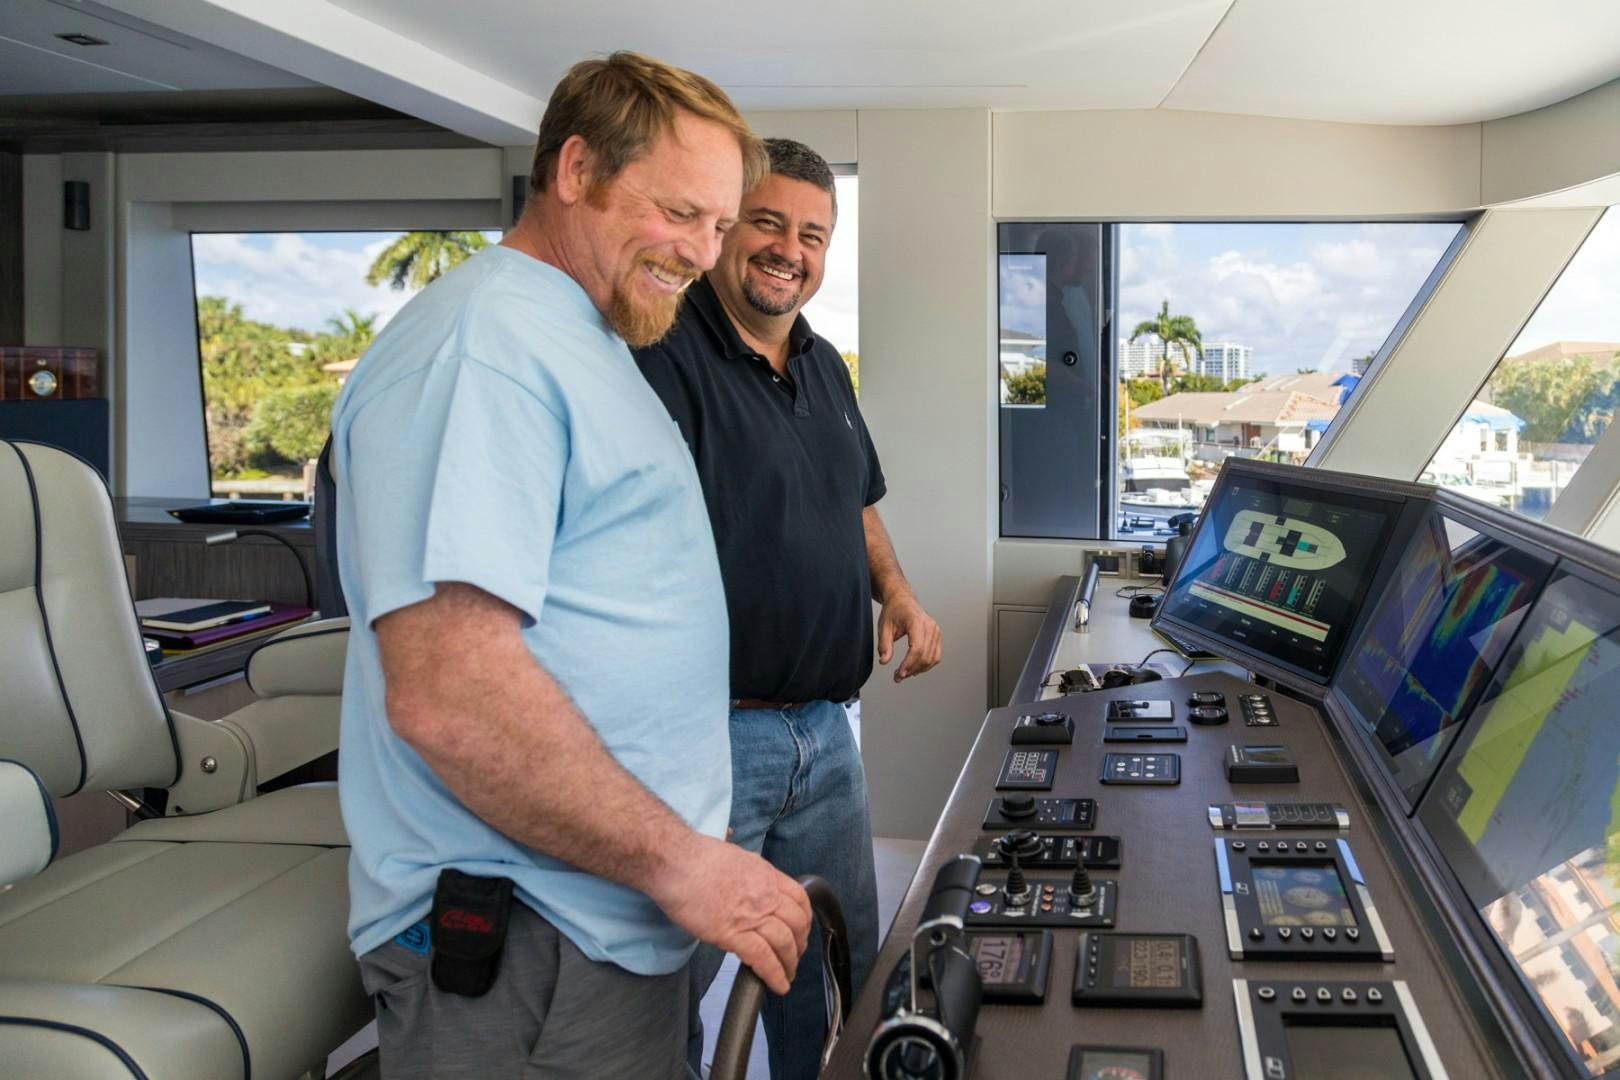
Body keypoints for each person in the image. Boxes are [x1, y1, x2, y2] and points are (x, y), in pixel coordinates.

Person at [331, 53, 810, 1080]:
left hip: (606, 916)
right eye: (680, 213)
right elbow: (449, 694)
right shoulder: (483, 350)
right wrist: (683, 860)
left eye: (719, 228)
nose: (701, 252)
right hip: (530, 942)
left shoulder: (585, 339)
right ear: (577, 167)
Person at [634, 138, 943, 1080]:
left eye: (812, 234)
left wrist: (895, 589)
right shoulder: (659, 353)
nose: (788, 250)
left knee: (835, 966)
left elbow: (853, 499)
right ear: (725, 226)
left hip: (827, 730)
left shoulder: (823, 365)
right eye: (767, 223)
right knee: (667, 990)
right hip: (707, 741)